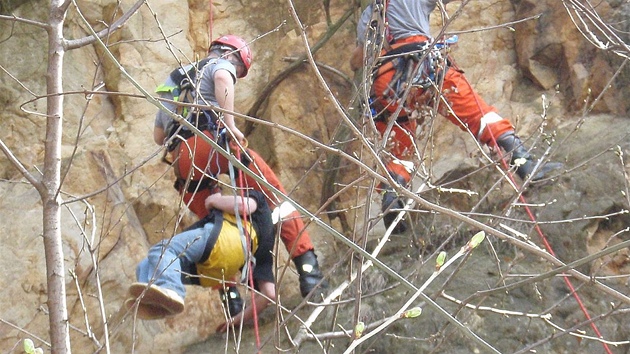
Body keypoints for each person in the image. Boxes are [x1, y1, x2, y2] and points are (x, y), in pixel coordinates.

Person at [350, 0, 562, 233]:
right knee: (479, 116)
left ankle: (392, 203)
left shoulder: (368, 17)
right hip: (422, 65)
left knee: (400, 149)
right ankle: (526, 167)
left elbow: (357, 61)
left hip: (385, 82)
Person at [153, 34, 328, 303]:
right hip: (214, 142)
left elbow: (158, 135)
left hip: (182, 162)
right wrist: (230, 124)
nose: (237, 73)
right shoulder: (220, 64)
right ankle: (309, 271)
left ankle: (232, 299)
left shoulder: (173, 79)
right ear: (233, 56)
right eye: (240, 70)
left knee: (216, 229)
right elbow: (223, 78)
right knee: (274, 198)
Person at [125, 188, 275, 332]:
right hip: (219, 271)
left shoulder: (260, 202)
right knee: (147, 265)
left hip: (223, 240)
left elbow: (244, 205)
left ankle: (172, 289)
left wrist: (215, 200)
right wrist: (237, 319)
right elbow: (269, 293)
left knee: (162, 250)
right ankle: (156, 301)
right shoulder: (267, 245)